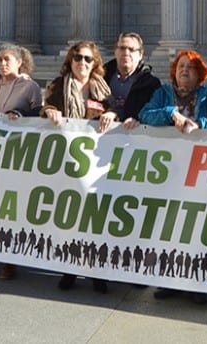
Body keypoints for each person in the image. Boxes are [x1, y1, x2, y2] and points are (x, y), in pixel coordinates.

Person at [140, 50, 207, 304]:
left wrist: (201, 126)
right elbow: (145, 114)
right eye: (181, 66)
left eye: (191, 67)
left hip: (200, 170)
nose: (184, 71)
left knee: (197, 226)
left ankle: (196, 282)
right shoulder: (163, 93)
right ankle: (170, 280)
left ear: (200, 75)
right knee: (170, 225)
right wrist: (169, 113)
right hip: (169, 171)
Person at [42, 40, 116, 293]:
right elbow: (46, 106)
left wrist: (112, 113)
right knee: (71, 217)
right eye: (77, 58)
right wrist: (50, 111)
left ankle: (98, 272)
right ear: (69, 61)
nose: (82, 63)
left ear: (95, 63)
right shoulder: (58, 85)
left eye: (87, 59)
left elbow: (115, 108)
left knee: (94, 220)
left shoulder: (104, 90)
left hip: (94, 164)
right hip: (67, 161)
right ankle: (70, 269)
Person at [0, 43, 42, 279]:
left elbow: (38, 117)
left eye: (7, 60)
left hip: (16, 153)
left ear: (19, 61)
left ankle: (10, 258)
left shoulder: (30, 87)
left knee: (10, 207)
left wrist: (21, 116)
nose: (2, 64)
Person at [103, 32, 160, 127]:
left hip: (135, 137)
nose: (126, 53)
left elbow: (154, 114)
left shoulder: (151, 84)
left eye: (131, 49)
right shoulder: (102, 78)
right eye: (122, 48)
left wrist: (137, 120)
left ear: (140, 55)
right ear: (115, 51)